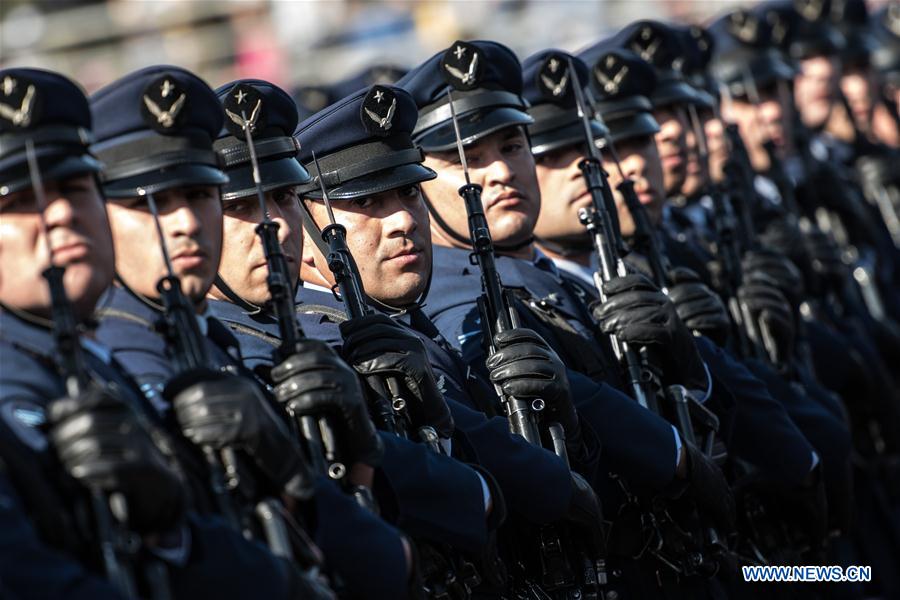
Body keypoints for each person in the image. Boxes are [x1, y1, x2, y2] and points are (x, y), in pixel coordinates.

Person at [0, 67, 332, 600]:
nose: (60, 212)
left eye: (74, 186)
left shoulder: (91, 363)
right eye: (18, 203)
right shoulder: (94, 358)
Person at [87, 65, 412, 597]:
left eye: (199, 196)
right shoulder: (121, 355)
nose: (186, 223)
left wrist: (363, 448)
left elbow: (372, 544)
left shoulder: (201, 339)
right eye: (154, 204)